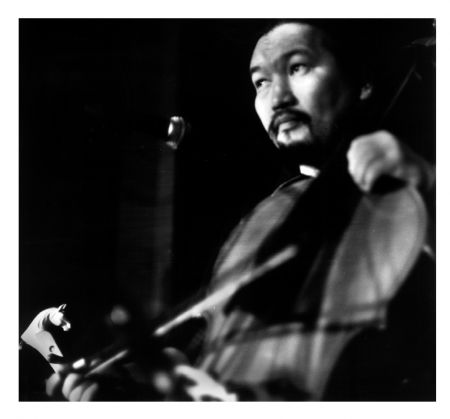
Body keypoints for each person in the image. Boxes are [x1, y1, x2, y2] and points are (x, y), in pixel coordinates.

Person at [43, 19, 435, 401]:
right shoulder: (271, 212)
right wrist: (155, 379)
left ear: (363, 82)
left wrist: (429, 190)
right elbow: (214, 356)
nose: (276, 98)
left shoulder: (418, 179)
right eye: (260, 82)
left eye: (297, 68)